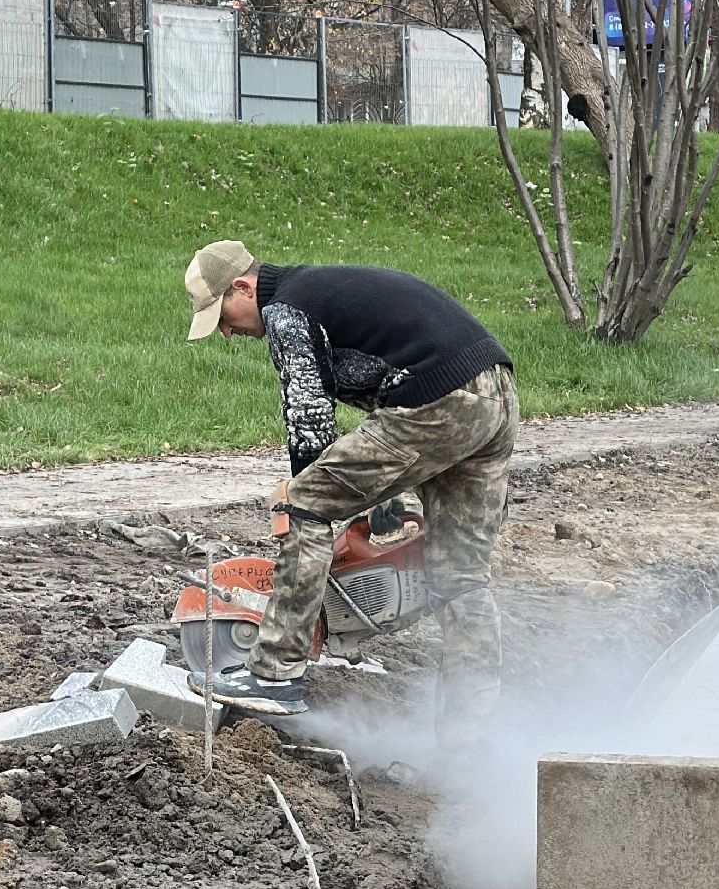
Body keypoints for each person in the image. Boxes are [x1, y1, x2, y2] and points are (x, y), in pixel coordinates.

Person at [181, 239, 518, 734]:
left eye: (223, 315)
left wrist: (306, 495)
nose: (228, 332)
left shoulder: (286, 310)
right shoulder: (319, 287)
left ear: (243, 286)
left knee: (307, 504)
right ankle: (470, 731)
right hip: (495, 397)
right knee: (460, 576)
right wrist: (382, 496)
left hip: (437, 402)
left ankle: (275, 673)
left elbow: (310, 418)